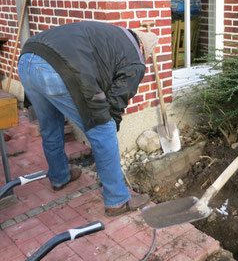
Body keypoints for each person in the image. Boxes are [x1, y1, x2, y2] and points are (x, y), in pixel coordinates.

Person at [18, 21, 158, 217]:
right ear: (142, 48)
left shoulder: (112, 35)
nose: (143, 59)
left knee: (50, 125)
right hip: (56, 69)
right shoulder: (135, 60)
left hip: (26, 60)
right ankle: (117, 200)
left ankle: (59, 176)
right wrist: (110, 125)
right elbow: (116, 103)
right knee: (104, 129)